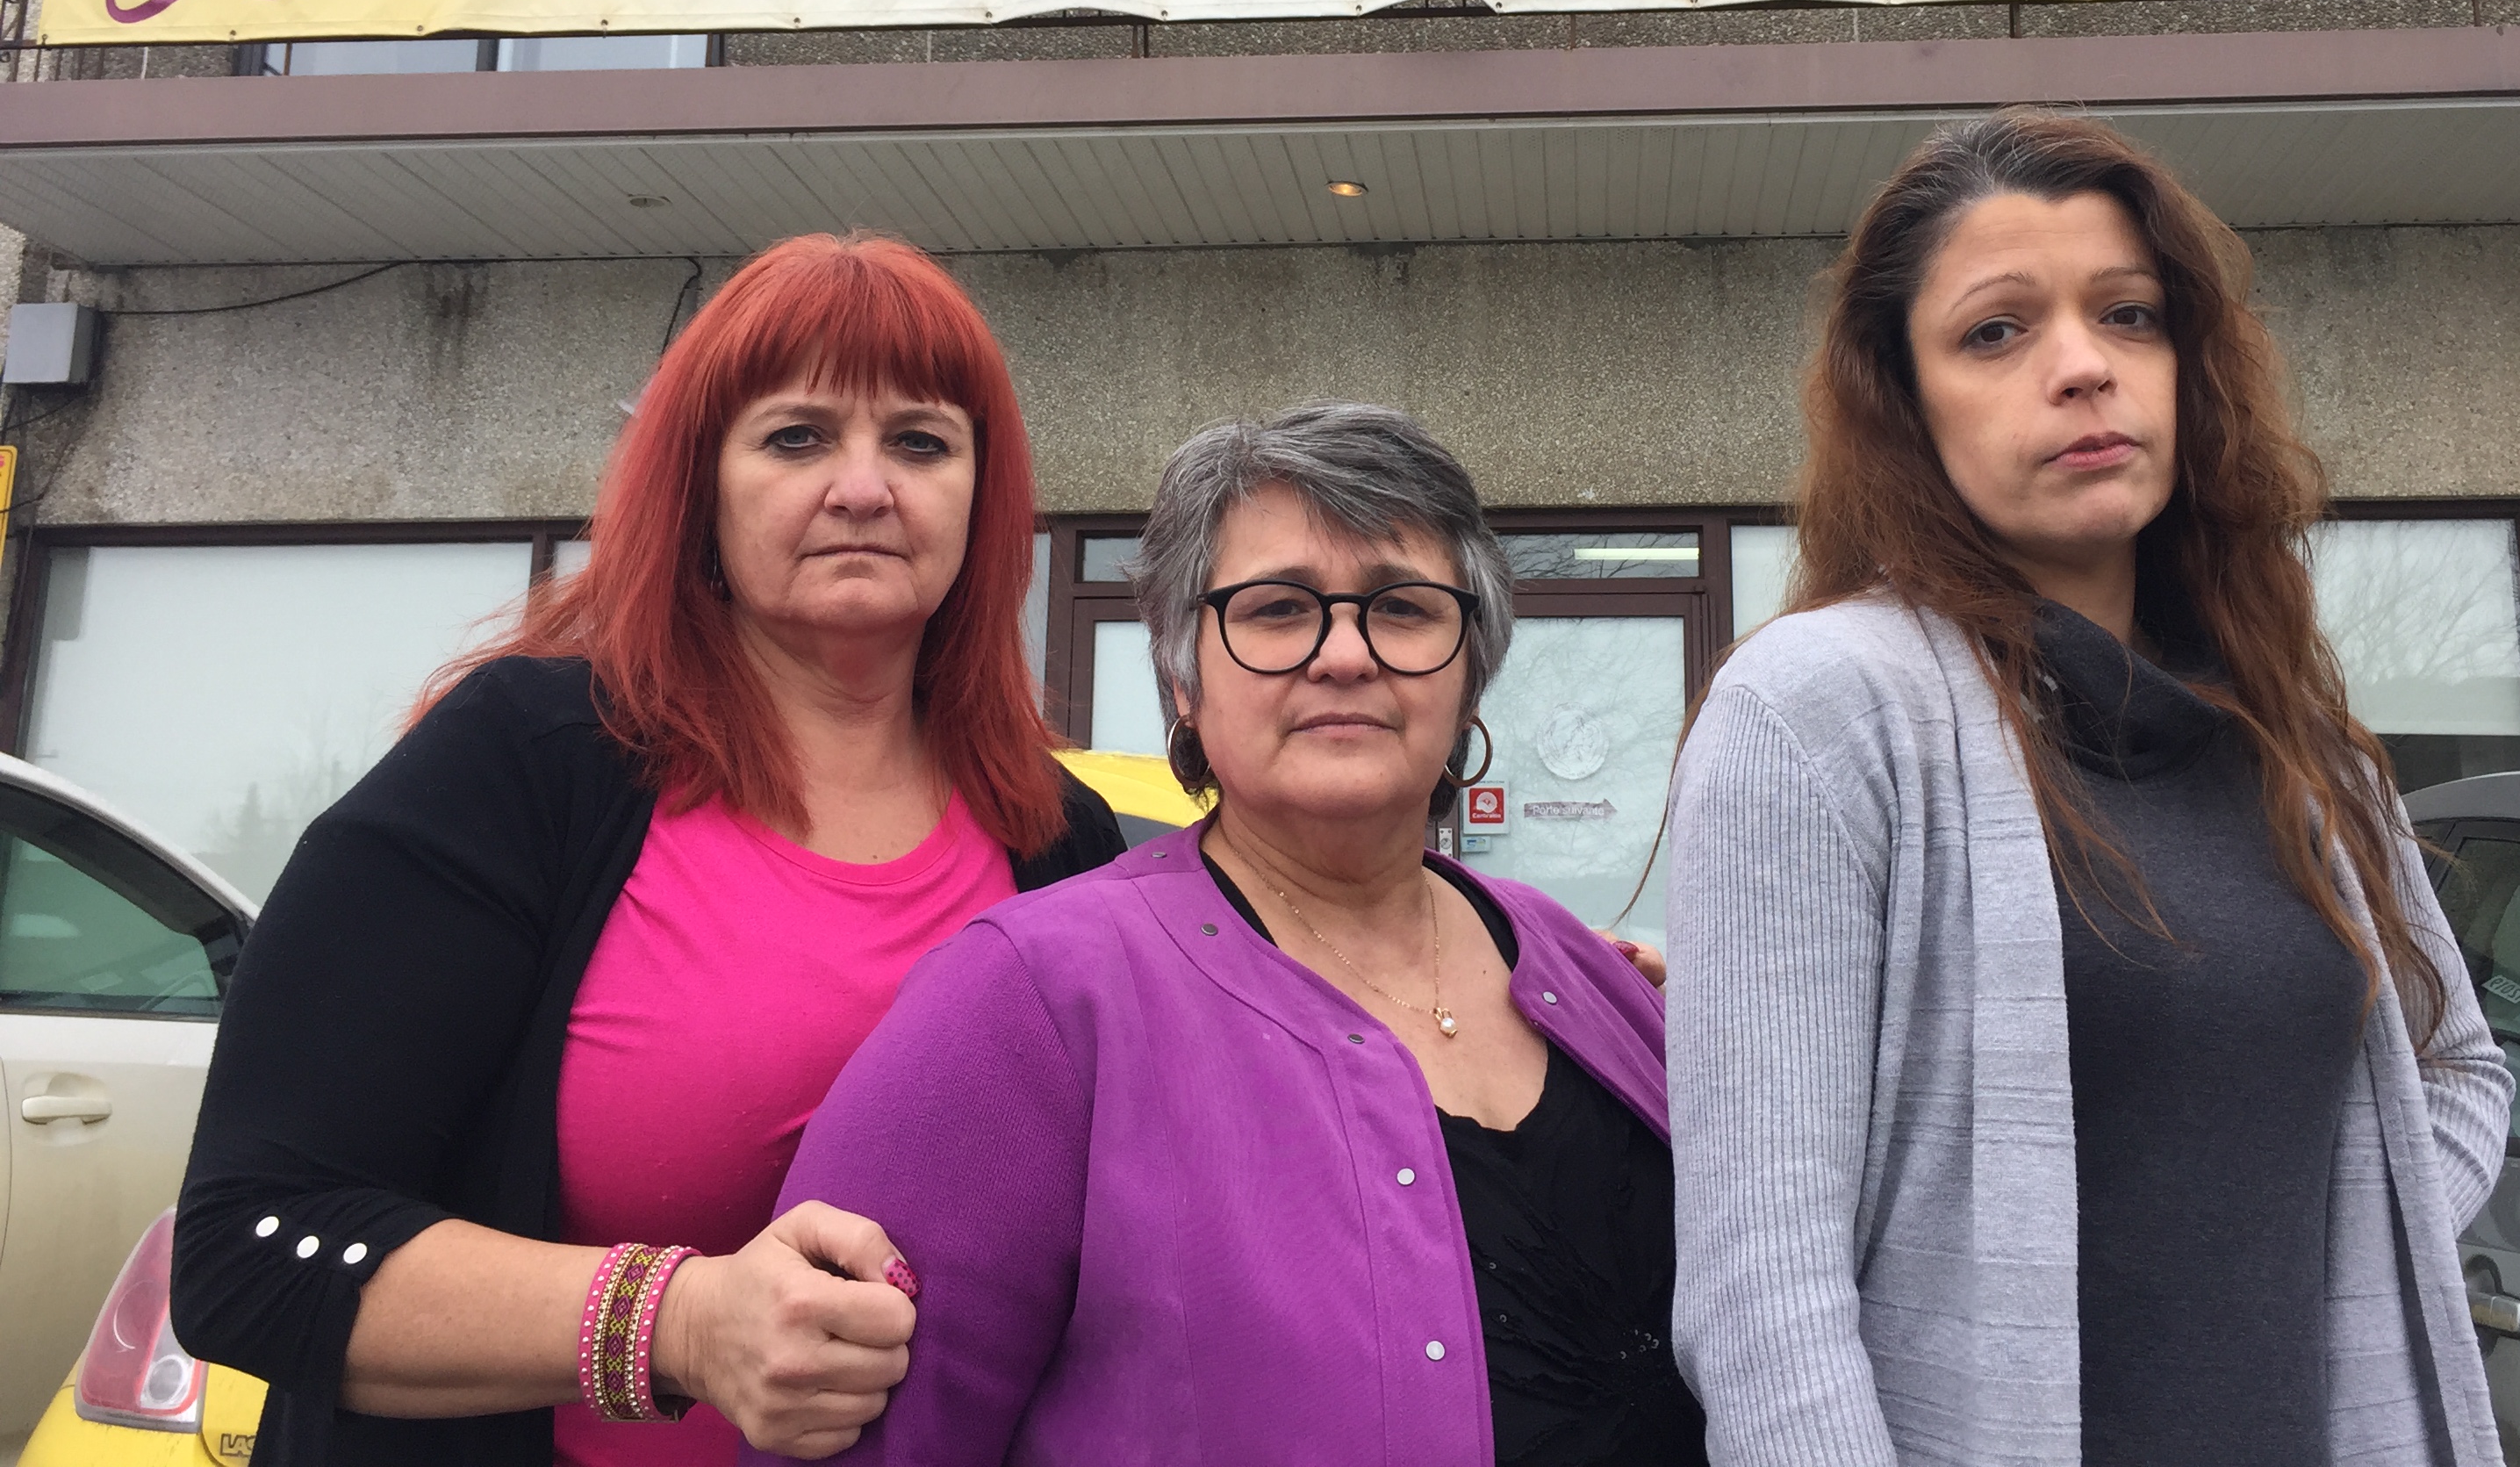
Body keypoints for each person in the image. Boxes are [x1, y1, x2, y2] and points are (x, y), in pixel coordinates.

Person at [173, 234, 1125, 1467]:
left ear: (982, 500)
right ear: (700, 491)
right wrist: (674, 1323)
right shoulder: (522, 764)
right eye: (795, 438)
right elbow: (251, 1246)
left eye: (920, 442)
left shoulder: (1060, 840)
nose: (863, 486)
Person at [1667, 111, 2514, 1467]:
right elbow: (1762, 1287)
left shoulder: (2299, 736)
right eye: (1996, 332)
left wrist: (2320, 1233)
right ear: (1905, 398)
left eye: (2128, 315)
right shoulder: (1818, 713)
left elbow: (2458, 1073)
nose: (2081, 368)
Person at [763, 402, 1705, 1467]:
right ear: (1181, 676)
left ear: (1468, 668)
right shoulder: (1027, 1002)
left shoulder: (1592, 978)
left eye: (1402, 608)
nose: (1344, 654)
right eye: (1274, 609)